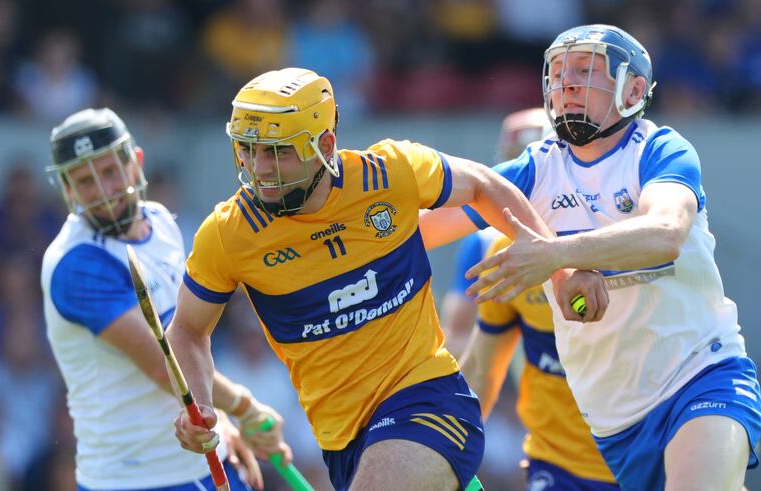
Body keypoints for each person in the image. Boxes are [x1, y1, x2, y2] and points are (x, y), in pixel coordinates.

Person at [166, 67, 574, 491]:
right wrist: (198, 402)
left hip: (427, 399)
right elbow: (188, 331)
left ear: (324, 145)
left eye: (278, 152)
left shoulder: (389, 172)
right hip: (343, 440)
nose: (260, 169)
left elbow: (484, 184)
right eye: (249, 151)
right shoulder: (229, 234)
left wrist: (556, 264)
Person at [423, 24, 761, 491]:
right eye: (558, 74)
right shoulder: (536, 168)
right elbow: (423, 228)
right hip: (614, 416)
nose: (567, 86)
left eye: (585, 72)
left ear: (633, 90)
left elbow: (665, 234)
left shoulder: (659, 149)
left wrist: (554, 255)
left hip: (700, 372)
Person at [41, 107, 291, 491]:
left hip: (206, 460)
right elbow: (165, 367)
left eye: (109, 171)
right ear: (68, 191)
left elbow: (188, 339)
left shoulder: (160, 221)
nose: (104, 191)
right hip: (131, 479)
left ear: (135, 163)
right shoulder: (76, 263)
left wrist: (219, 421)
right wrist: (244, 407)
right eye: (85, 182)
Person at [459, 231, 618, 490]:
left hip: (652, 457)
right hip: (559, 466)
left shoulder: (643, 240)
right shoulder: (509, 253)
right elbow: (480, 372)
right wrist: (439, 450)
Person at [439, 108, 549, 357]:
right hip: (533, 385)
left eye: (529, 166)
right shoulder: (483, 242)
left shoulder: (593, 224)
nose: (516, 183)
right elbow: (458, 334)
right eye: (513, 163)